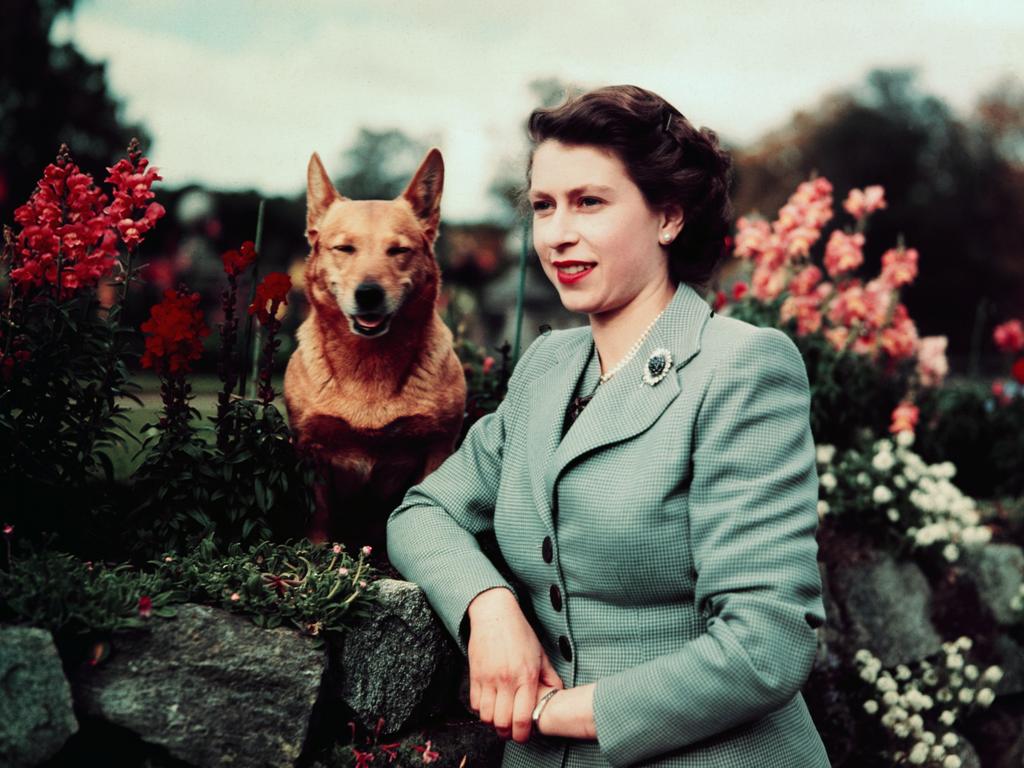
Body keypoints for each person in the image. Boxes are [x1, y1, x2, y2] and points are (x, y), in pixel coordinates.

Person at [386, 84, 830, 768]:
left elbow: (766, 642)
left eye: (589, 202)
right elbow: (422, 513)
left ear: (669, 217)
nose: (558, 233)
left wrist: (563, 710)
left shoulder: (742, 367)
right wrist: (490, 607)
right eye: (543, 206)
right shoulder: (546, 368)